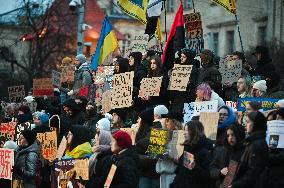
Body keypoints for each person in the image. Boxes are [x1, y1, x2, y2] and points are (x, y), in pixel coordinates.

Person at [230, 111, 268, 188]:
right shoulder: (251, 142)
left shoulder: (256, 144)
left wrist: (235, 185)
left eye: (248, 122)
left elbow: (253, 172)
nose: (246, 125)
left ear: (256, 124)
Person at [170, 120, 212, 188]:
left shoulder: (204, 152)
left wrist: (195, 167)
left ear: (195, 132)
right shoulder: (187, 148)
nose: (184, 133)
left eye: (187, 130)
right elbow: (181, 172)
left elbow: (207, 176)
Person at [135, 108, 160, 188]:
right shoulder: (142, 133)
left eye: (139, 118)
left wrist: (135, 157)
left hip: (151, 176)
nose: (137, 121)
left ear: (145, 120)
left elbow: (155, 157)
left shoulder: (158, 133)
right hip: (143, 172)